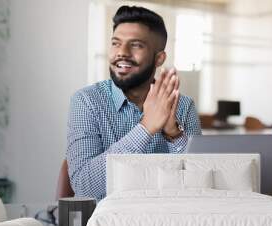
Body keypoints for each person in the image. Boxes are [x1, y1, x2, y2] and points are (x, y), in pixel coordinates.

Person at [66, 5, 202, 200]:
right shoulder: (87, 101)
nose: (122, 53)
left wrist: (173, 134)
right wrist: (146, 128)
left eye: (136, 45)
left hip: (168, 220)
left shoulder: (183, 106)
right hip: (108, 224)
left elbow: (197, 186)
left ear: (159, 58)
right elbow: (84, 188)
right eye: (116, 43)